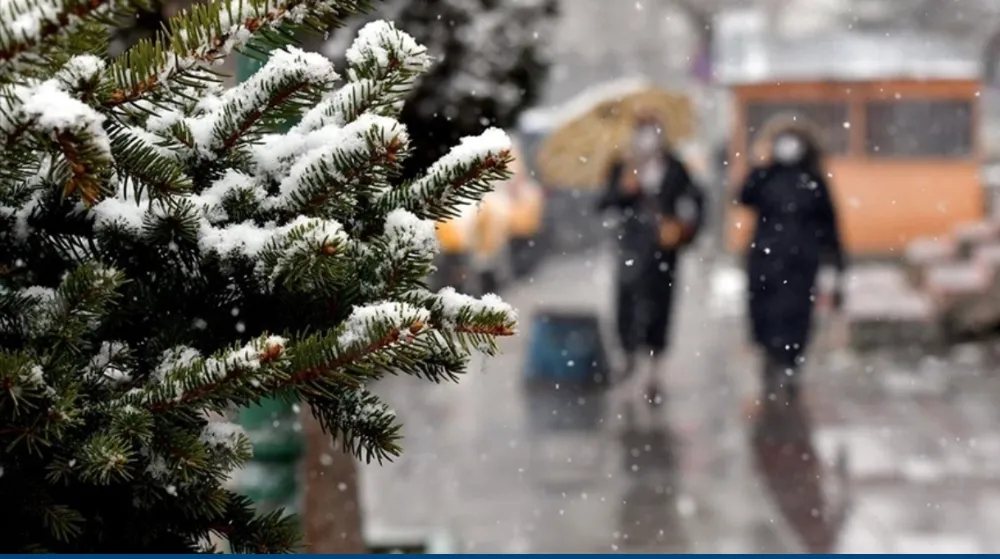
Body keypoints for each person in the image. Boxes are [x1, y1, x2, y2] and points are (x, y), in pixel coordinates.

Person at [597, 114, 705, 408]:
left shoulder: (675, 166)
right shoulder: (623, 165)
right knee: (627, 303)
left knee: (660, 305)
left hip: (663, 251)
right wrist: (624, 191)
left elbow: (695, 201)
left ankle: (655, 367)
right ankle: (629, 356)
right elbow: (604, 203)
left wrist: (683, 228)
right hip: (631, 247)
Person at [738, 117, 846, 404]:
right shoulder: (766, 175)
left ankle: (790, 362)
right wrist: (759, 165)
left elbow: (829, 223)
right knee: (763, 310)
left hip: (801, 261)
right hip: (764, 258)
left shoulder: (813, 179)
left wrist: (835, 262)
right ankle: (770, 356)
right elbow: (744, 196)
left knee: (796, 313)